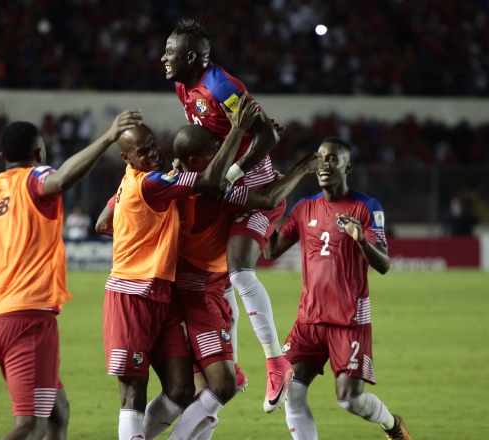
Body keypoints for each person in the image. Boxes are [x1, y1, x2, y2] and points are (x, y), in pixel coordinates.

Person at [0, 109, 143, 440]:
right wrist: (108, 137)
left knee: (57, 411)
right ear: (39, 153)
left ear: (2, 156)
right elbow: (62, 179)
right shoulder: (35, 178)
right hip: (28, 319)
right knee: (30, 425)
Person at [98, 93, 260, 440]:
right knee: (133, 395)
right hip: (131, 296)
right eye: (142, 151)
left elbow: (102, 222)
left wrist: (135, 227)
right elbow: (211, 181)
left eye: (153, 145)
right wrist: (238, 131)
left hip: (163, 295)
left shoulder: (132, 181)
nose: (153, 153)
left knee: (181, 389)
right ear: (127, 157)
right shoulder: (153, 183)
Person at [162, 19, 292, 412]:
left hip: (253, 188)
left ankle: (276, 362)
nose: (163, 58)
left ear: (190, 56)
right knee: (215, 278)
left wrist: (232, 173)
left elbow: (268, 136)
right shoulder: (183, 85)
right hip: (222, 189)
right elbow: (210, 134)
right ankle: (230, 366)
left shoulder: (221, 87)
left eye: (170, 52)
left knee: (238, 270)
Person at [263, 137, 411, 440]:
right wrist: (266, 209)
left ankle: (393, 427)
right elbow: (271, 250)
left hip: (348, 320)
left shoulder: (366, 206)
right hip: (309, 320)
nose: (324, 165)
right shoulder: (305, 208)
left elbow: (383, 264)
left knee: (350, 400)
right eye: (319, 158)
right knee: (291, 389)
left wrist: (361, 239)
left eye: (332, 159)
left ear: (348, 166)